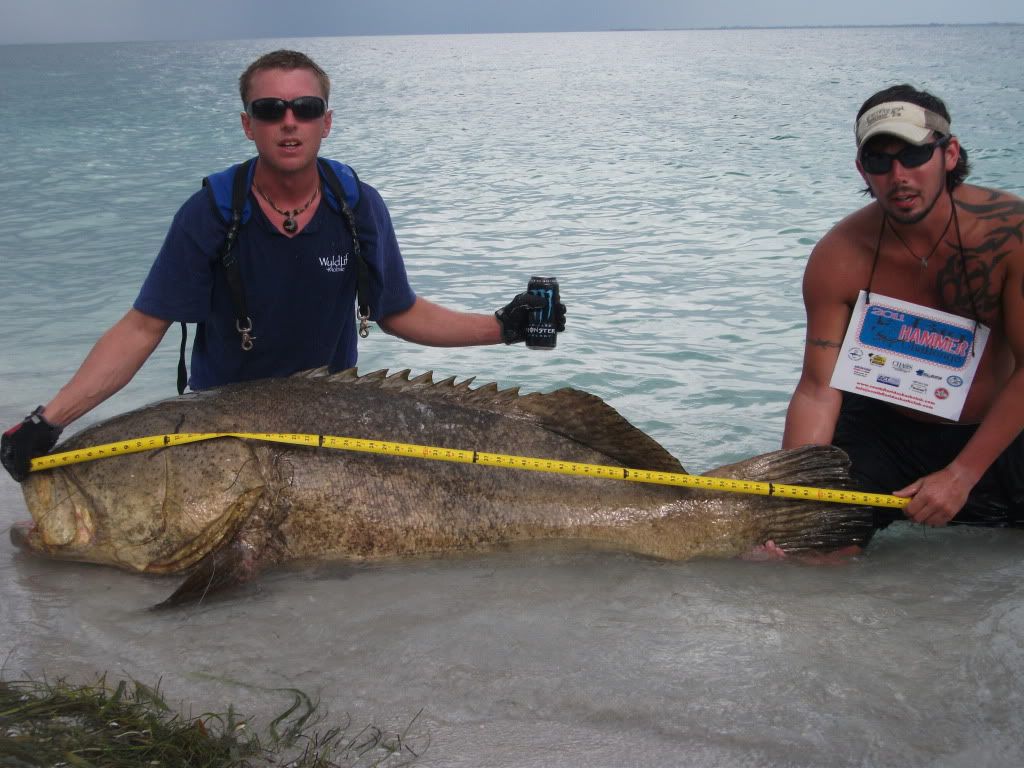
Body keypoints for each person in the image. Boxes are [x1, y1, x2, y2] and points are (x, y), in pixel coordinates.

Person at [1, 49, 565, 482]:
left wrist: (504, 327)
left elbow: (398, 312)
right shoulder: (210, 213)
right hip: (223, 424)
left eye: (306, 109)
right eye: (270, 110)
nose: (289, 121)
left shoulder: (358, 206)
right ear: (248, 124)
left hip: (331, 419)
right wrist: (47, 422)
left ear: (326, 122)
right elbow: (142, 328)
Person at [782, 84, 1024, 534]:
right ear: (862, 169)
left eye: (914, 155)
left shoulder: (1011, 235)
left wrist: (961, 475)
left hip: (1000, 431)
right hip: (885, 428)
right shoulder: (839, 256)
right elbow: (818, 390)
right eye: (879, 161)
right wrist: (795, 498)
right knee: (811, 545)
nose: (898, 176)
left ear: (949, 154)